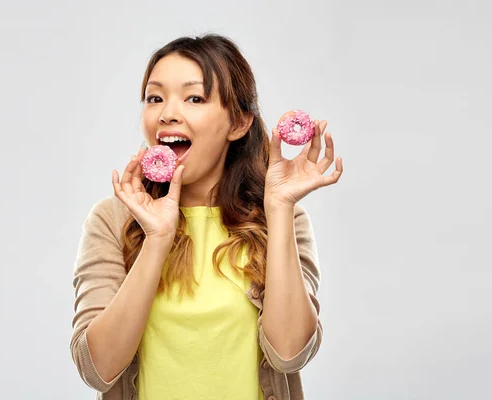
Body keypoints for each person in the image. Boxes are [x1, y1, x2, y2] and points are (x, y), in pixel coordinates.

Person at [70, 33, 343, 400]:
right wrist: (157, 240)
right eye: (155, 98)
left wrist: (278, 208)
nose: (167, 113)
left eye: (194, 98)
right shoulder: (113, 218)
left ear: (239, 123)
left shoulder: (283, 220)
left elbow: (291, 353)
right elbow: (98, 369)